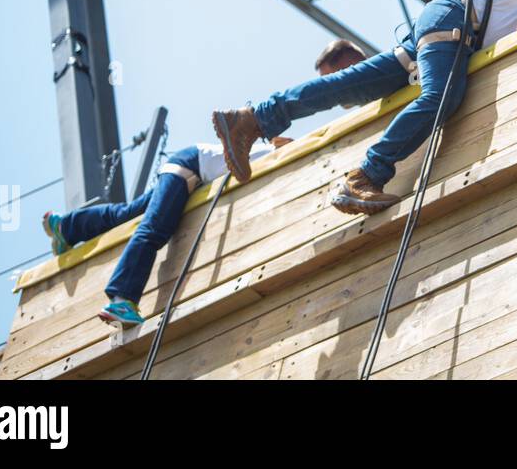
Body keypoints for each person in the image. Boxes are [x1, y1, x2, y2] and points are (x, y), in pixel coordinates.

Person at [211, 0, 517, 215]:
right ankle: (368, 175)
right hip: (457, 18)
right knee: (442, 97)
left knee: (347, 85)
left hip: (445, 25)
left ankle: (253, 118)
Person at [39, 39, 365, 326]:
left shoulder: (281, 146)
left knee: (128, 214)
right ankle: (122, 297)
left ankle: (65, 227)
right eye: (328, 78)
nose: (333, 86)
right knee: (156, 227)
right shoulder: (277, 148)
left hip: (190, 170)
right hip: (190, 165)